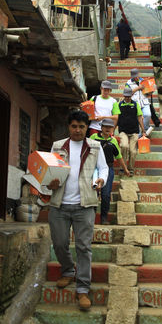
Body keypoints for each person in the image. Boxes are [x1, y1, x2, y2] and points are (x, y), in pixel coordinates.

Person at [46, 110, 108, 311]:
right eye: (74, 126)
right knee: (59, 243)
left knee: (83, 247)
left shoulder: (95, 146)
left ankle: (82, 289)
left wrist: (101, 180)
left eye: (82, 127)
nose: (78, 130)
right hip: (59, 204)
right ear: (69, 127)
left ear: (86, 128)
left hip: (85, 204)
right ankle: (67, 270)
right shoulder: (58, 146)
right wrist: (50, 182)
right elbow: (49, 171)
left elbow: (104, 169)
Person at [90, 119, 131, 225]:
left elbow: (119, 157)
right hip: (94, 169)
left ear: (113, 129)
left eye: (110, 127)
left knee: (106, 195)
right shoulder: (93, 138)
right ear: (101, 127)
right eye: (105, 126)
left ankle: (104, 218)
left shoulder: (113, 141)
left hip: (108, 169)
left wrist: (125, 169)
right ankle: (90, 218)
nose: (107, 129)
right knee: (93, 193)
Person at [117, 87, 146, 175]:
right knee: (124, 146)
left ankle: (130, 168)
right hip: (123, 131)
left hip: (134, 131)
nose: (127, 98)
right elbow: (116, 118)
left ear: (131, 95)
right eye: (126, 96)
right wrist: (112, 129)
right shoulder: (119, 105)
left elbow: (140, 117)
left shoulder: (136, 104)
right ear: (124, 96)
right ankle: (123, 167)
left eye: (129, 96)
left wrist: (143, 130)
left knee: (133, 151)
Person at [125, 68, 153, 137]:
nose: (136, 77)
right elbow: (127, 94)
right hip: (135, 104)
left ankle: (145, 131)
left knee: (147, 115)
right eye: (134, 76)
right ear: (132, 76)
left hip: (144, 102)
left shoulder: (143, 81)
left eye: (137, 75)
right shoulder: (128, 83)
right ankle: (137, 134)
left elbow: (148, 94)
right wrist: (138, 88)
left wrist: (150, 91)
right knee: (136, 120)